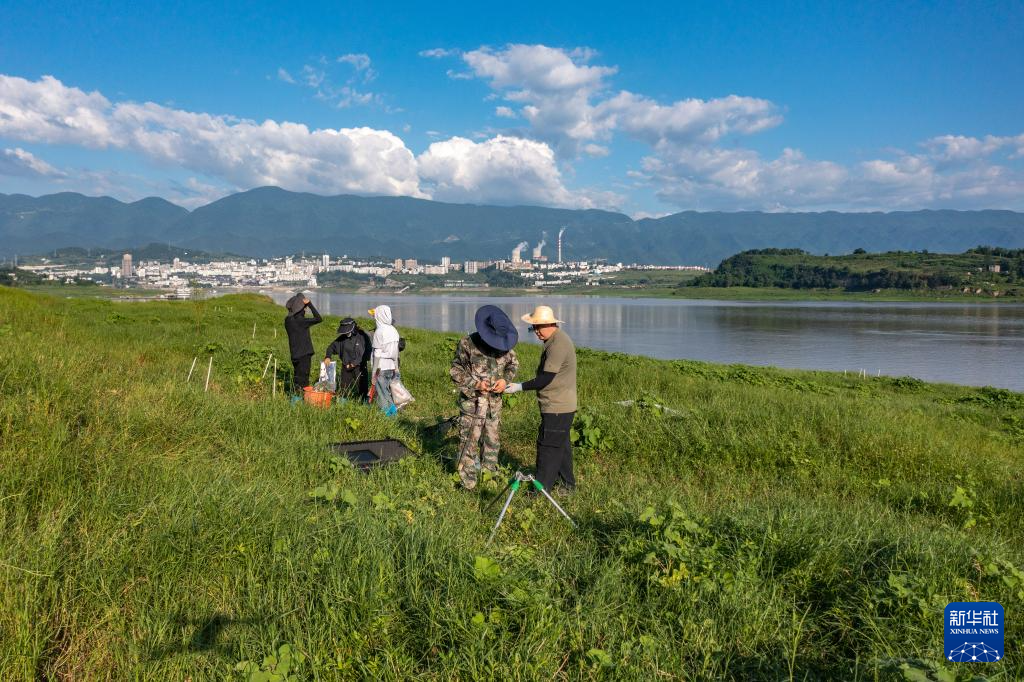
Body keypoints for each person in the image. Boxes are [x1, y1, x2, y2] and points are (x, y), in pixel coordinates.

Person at [505, 305, 577, 493]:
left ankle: (541, 490)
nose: (536, 331)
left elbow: (546, 378)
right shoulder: (554, 339)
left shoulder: (558, 344)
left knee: (547, 447)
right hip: (561, 404)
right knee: (560, 445)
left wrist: (518, 387)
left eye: (538, 327)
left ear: (551, 324)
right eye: (533, 327)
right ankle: (568, 485)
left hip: (557, 406)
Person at [450, 305, 519, 490]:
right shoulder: (467, 344)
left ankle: (489, 479)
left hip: (493, 405)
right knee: (468, 442)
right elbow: (455, 370)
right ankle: (467, 483)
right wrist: (475, 384)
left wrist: (505, 380)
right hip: (472, 405)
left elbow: (513, 364)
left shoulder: (506, 346)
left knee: (492, 442)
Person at [324, 317, 371, 401]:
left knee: (362, 387)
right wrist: (328, 356)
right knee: (344, 387)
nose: (346, 333)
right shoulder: (342, 338)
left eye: (347, 331)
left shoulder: (362, 337)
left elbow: (366, 353)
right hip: (346, 366)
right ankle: (342, 404)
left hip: (359, 367)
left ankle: (364, 403)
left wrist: (354, 363)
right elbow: (331, 347)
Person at [283, 293, 322, 394]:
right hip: (304, 355)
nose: (305, 310)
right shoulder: (301, 321)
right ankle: (302, 401)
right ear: (300, 309)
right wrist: (309, 304)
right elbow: (319, 318)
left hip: (295, 354)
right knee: (304, 381)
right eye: (304, 308)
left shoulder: (288, 320)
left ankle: (295, 400)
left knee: (297, 378)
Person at [369, 305, 400, 415]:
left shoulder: (379, 331)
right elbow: (396, 352)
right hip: (391, 366)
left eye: (375, 315)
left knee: (382, 394)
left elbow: (377, 354)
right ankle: (393, 413)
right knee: (387, 391)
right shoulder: (394, 330)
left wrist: (373, 372)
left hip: (380, 367)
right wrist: (396, 368)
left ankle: (388, 417)